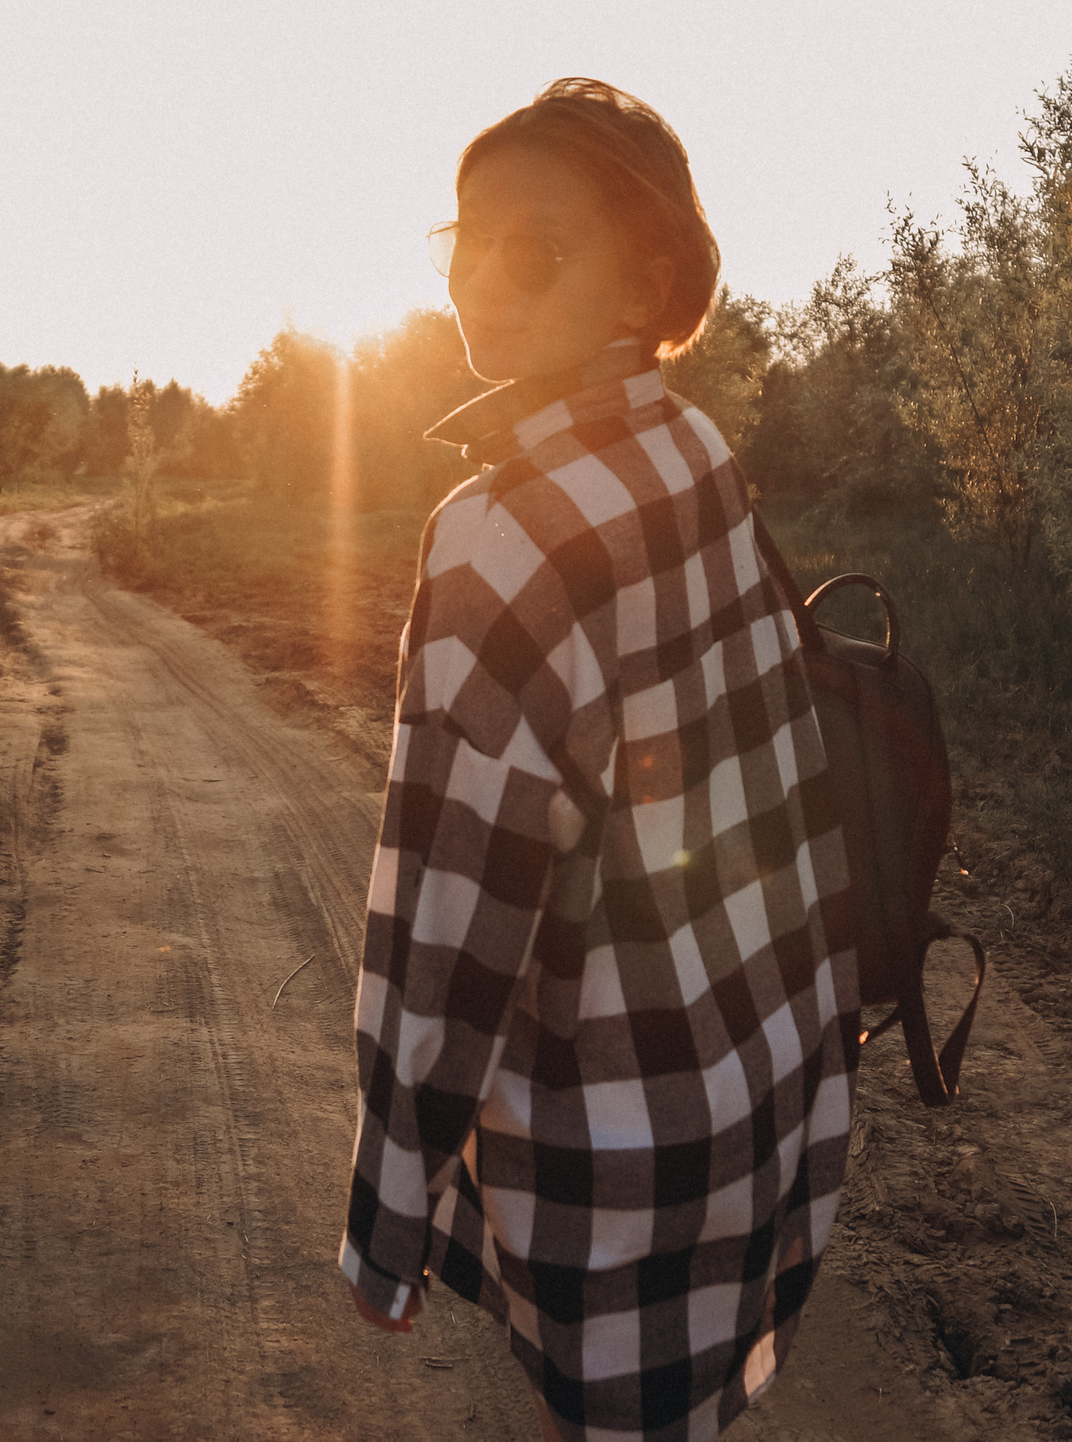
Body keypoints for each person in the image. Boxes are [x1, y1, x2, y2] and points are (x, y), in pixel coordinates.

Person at [338, 78, 857, 1442]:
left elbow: (446, 922)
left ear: (649, 275)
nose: (476, 283)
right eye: (461, 238)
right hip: (766, 1089)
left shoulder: (500, 535)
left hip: (613, 1149)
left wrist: (390, 1219)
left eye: (531, 248)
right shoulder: (695, 451)